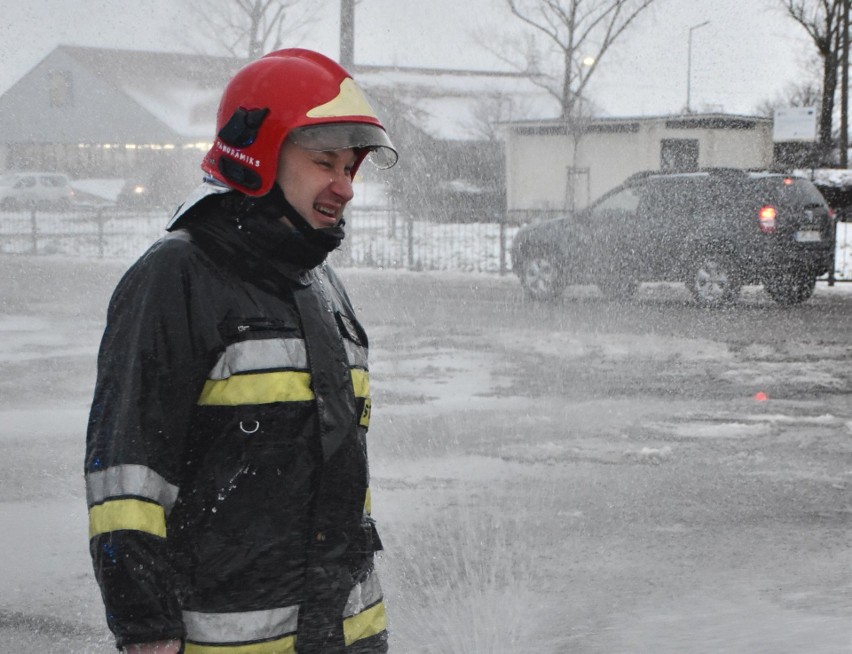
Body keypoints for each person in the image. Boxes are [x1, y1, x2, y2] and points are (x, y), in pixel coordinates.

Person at [85, 48, 398, 654]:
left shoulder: (318, 281)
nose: (345, 187)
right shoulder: (176, 278)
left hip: (345, 635)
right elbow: (127, 477)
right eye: (324, 162)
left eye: (351, 168)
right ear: (259, 156)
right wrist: (146, 629)